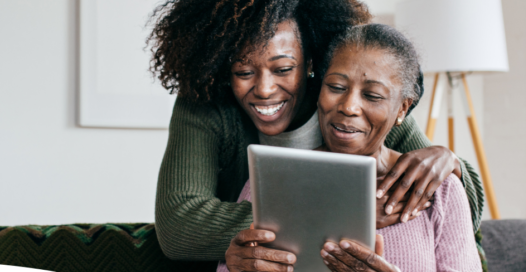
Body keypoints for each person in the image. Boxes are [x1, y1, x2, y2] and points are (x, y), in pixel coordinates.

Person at [148, 0, 484, 264]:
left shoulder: (357, 103)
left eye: (283, 69)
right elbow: (179, 227)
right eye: (244, 71)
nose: (264, 89)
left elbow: (455, 206)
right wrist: (344, 213)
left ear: (311, 61)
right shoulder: (207, 104)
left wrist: (448, 160)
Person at [222, 24, 482, 272]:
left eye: (372, 96)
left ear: (402, 108)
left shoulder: (442, 191)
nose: (348, 106)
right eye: (336, 87)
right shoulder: (272, 178)